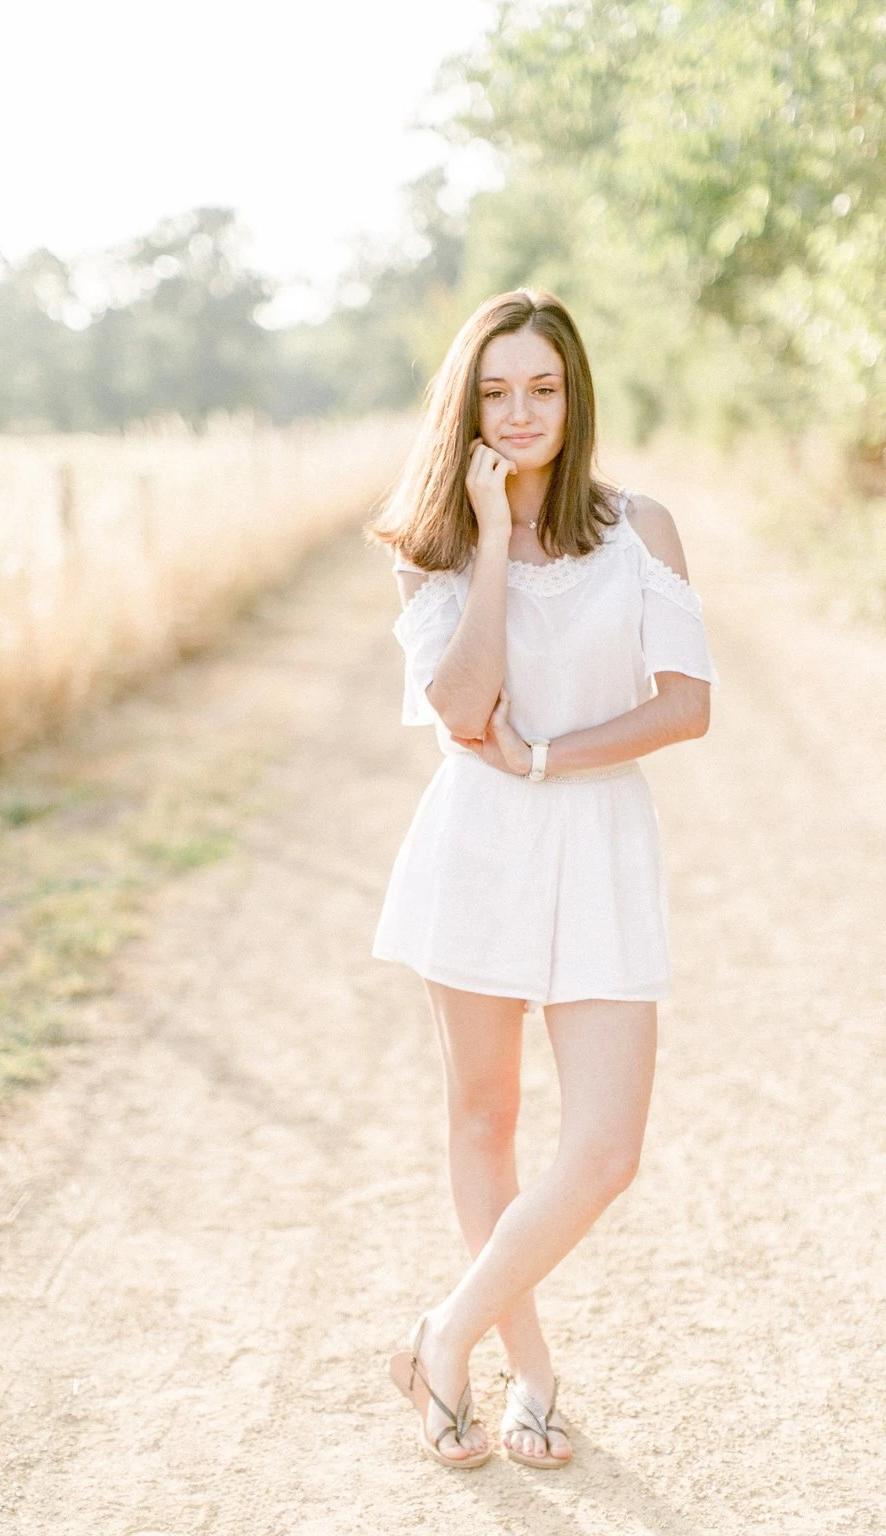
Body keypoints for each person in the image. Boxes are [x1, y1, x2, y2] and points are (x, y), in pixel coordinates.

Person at [365, 288, 720, 1471]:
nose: (521, 413)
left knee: (606, 1147)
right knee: (485, 1116)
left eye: (543, 388)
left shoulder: (640, 530)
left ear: (575, 395)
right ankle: (526, 1373)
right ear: (468, 406)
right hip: (477, 844)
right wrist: (489, 539)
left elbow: (686, 705)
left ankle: (442, 1331)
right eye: (497, 391)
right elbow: (463, 711)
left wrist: (549, 756)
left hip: (598, 841)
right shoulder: (432, 550)